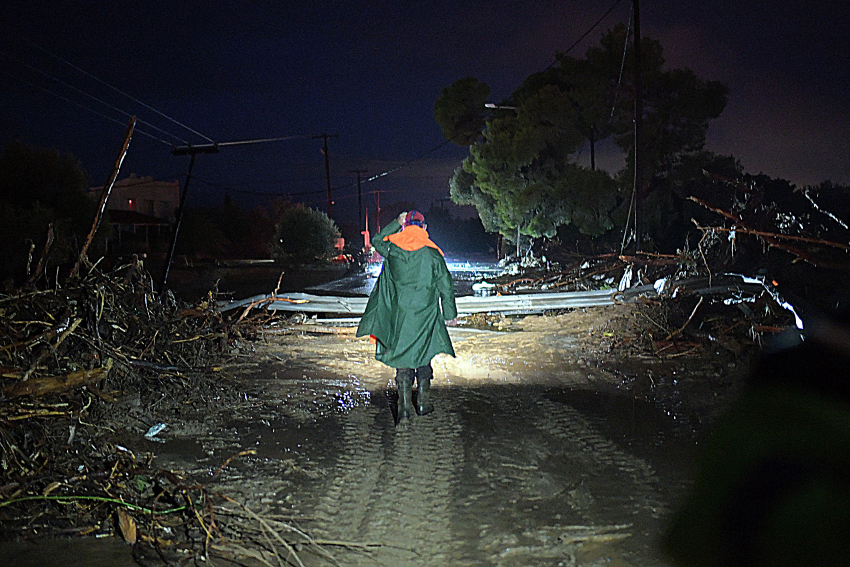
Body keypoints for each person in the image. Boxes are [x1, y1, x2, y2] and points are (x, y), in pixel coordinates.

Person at [356, 210, 457, 428]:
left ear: (405, 226)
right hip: (426, 314)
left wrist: (395, 222)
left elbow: (376, 240)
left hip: (400, 315)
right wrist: (449, 315)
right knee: (423, 355)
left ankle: (403, 412)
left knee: (402, 360)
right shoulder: (433, 253)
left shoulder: (393, 250)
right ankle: (422, 404)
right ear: (424, 228)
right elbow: (446, 286)